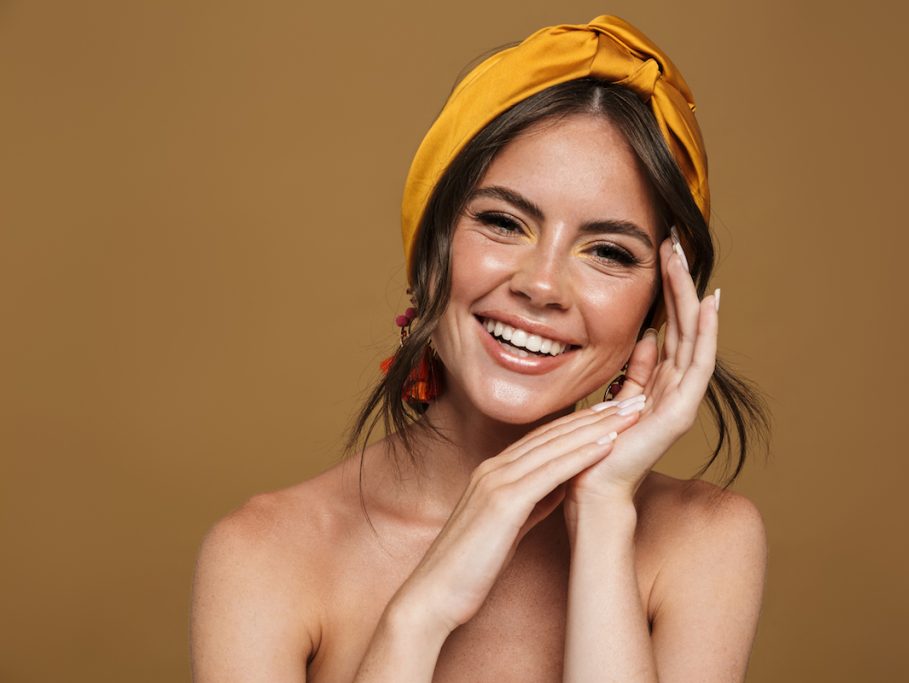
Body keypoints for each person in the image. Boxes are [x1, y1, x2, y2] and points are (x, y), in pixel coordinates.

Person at [190, 14, 771, 682]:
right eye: (503, 221)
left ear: (658, 309)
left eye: (608, 252)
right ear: (429, 249)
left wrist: (606, 513)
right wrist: (422, 611)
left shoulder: (703, 541)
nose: (543, 284)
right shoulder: (265, 556)